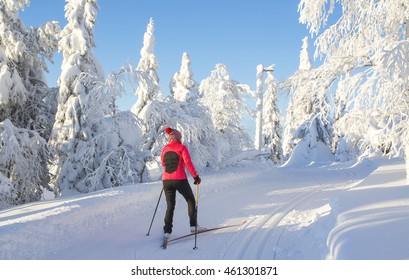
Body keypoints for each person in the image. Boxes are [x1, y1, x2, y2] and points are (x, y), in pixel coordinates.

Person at [161, 127, 204, 239]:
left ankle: (167, 231)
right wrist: (196, 177)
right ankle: (193, 226)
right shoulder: (181, 147)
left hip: (166, 180)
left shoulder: (164, 149)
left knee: (170, 205)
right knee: (190, 200)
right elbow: (188, 163)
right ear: (178, 138)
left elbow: (163, 163)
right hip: (179, 179)